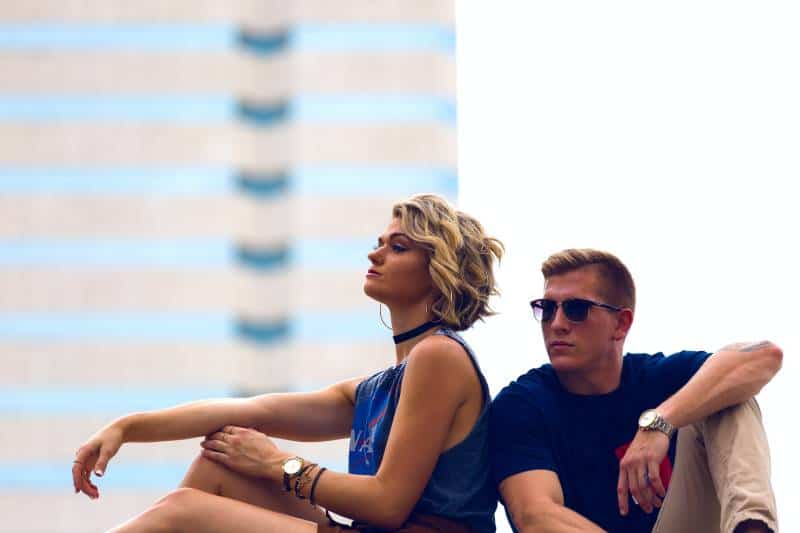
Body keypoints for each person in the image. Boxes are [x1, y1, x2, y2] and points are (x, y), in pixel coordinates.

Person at [72, 194, 503, 532]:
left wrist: (280, 465)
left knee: (181, 511)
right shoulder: (378, 387)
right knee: (221, 458)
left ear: (439, 269)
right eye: (378, 244)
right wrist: (126, 428)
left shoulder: (440, 355)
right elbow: (250, 411)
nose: (375, 255)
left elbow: (388, 504)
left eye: (398, 247)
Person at [490, 248, 781, 532]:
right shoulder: (522, 404)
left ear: (621, 323)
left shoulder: (658, 377)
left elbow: (765, 356)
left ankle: (753, 528)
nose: (557, 324)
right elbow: (536, 516)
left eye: (576, 309)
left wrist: (658, 422)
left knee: (729, 394)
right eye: (547, 309)